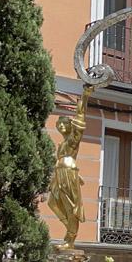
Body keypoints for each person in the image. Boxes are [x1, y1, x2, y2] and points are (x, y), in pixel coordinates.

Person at [48, 85, 93, 249]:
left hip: (68, 173)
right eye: (58, 125)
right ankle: (69, 230)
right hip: (59, 174)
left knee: (71, 207)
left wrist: (85, 96)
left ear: (69, 125)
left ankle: (70, 239)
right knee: (52, 203)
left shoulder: (74, 139)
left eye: (63, 124)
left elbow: (80, 115)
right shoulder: (61, 145)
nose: (60, 127)